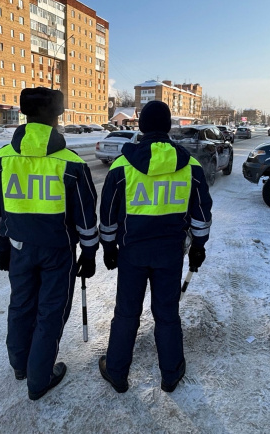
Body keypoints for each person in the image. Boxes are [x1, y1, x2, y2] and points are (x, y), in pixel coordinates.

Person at [0, 87, 99, 401]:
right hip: (58, 253)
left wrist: (0, 246)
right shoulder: (72, 163)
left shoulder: (0, 159)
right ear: (58, 115)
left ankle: (20, 365)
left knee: (21, 305)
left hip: (18, 248)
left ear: (24, 113)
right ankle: (39, 379)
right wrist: (89, 252)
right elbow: (86, 217)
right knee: (50, 312)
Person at [97, 100, 213, 393]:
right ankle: (171, 374)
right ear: (169, 127)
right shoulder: (191, 166)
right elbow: (201, 213)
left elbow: (108, 214)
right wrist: (198, 246)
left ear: (141, 126)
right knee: (167, 314)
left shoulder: (122, 166)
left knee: (127, 313)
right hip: (170, 255)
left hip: (132, 254)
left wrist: (108, 246)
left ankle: (116, 372)